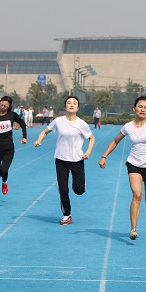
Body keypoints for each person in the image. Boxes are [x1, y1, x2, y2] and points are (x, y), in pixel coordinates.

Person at [98, 96, 146, 240]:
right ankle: (133, 229)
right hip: (134, 164)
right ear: (134, 108)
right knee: (137, 195)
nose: (142, 109)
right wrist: (104, 156)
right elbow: (115, 141)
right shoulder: (128, 126)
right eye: (140, 106)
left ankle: (140, 215)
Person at [34, 96, 95, 225]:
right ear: (65, 106)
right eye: (69, 103)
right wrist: (39, 140)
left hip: (77, 160)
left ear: (78, 107)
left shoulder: (81, 124)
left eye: (74, 103)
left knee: (79, 190)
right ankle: (67, 215)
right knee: (63, 189)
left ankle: (81, 184)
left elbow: (91, 138)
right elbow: (45, 131)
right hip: (61, 160)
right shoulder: (58, 121)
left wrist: (88, 152)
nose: (71, 105)